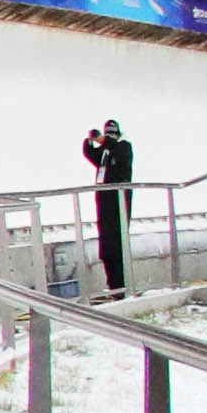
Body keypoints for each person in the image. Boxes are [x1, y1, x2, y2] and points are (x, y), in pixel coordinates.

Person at [80, 117, 137, 299]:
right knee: (106, 248)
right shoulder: (105, 153)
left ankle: (122, 288)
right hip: (104, 204)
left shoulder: (124, 147)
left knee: (118, 245)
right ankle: (114, 287)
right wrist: (89, 141)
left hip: (118, 203)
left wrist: (104, 141)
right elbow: (90, 153)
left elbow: (118, 152)